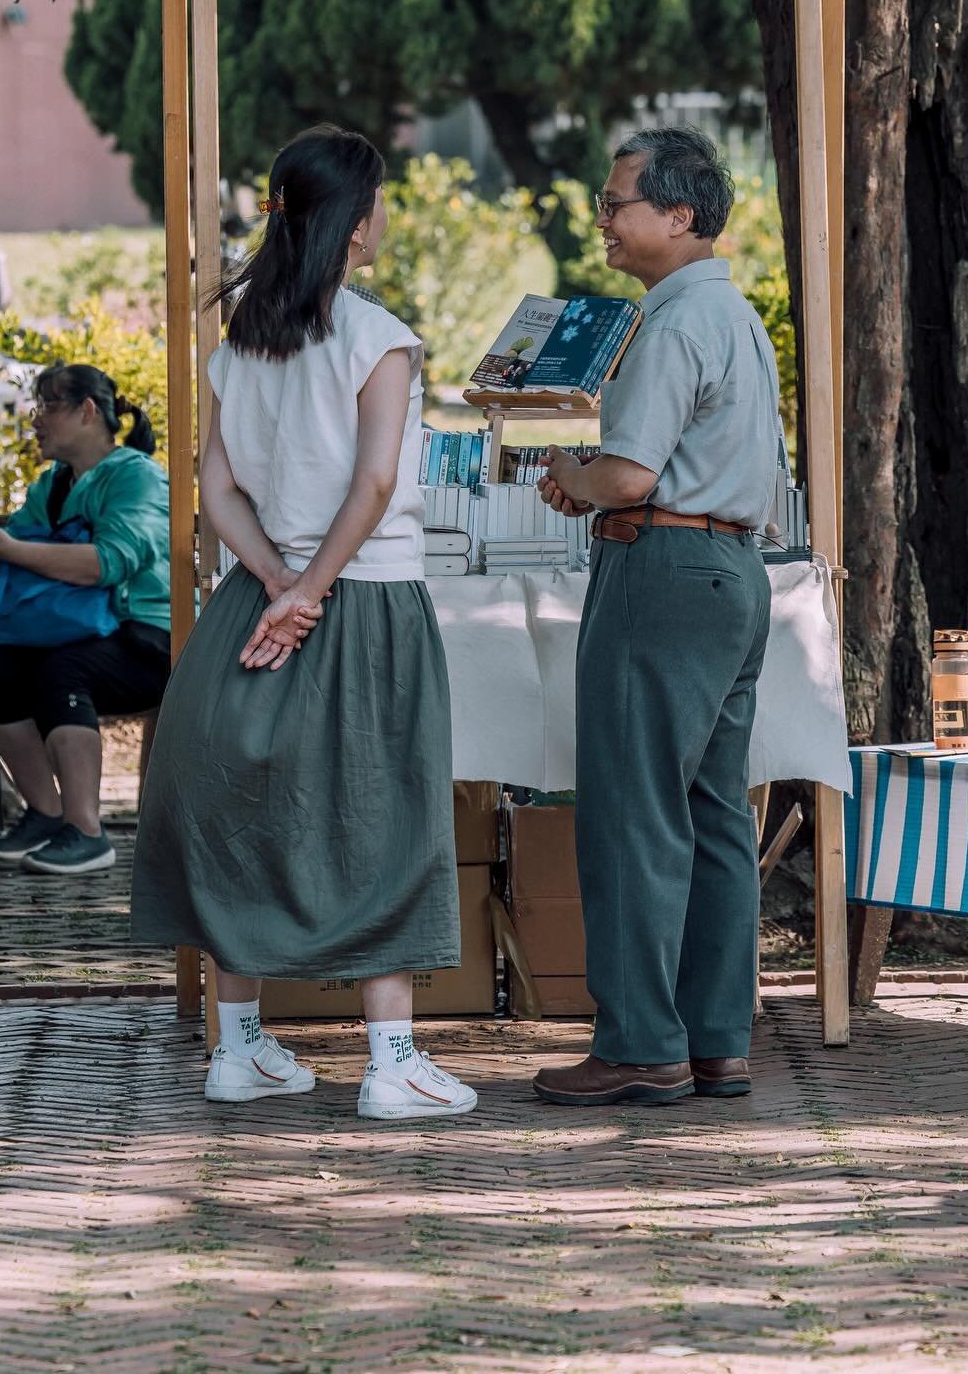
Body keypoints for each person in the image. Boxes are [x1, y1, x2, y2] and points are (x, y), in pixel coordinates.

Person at [130, 124, 476, 1122]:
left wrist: (278, 580)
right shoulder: (378, 336)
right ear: (353, 222)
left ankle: (240, 1047)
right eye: (378, 200)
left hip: (256, 594)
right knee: (384, 810)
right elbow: (374, 484)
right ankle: (392, 1061)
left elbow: (217, 487)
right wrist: (314, 589)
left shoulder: (241, 334)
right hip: (364, 597)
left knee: (242, 806)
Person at [530, 126, 779, 1108]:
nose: (604, 218)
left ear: (681, 213)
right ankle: (717, 1037)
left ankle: (639, 1039)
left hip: (662, 564)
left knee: (636, 811)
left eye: (618, 199)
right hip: (729, 568)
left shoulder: (671, 322)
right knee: (715, 814)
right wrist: (598, 480)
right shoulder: (732, 313)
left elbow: (629, 474)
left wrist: (571, 473)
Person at [0, 364, 170, 876]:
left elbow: (107, 563)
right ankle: (47, 814)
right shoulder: (51, 485)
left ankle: (87, 832)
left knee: (63, 672)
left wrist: (12, 549)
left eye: (48, 406)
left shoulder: (136, 476)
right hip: (74, 629)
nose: (36, 420)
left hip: (148, 636)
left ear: (88, 411)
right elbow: (20, 549)